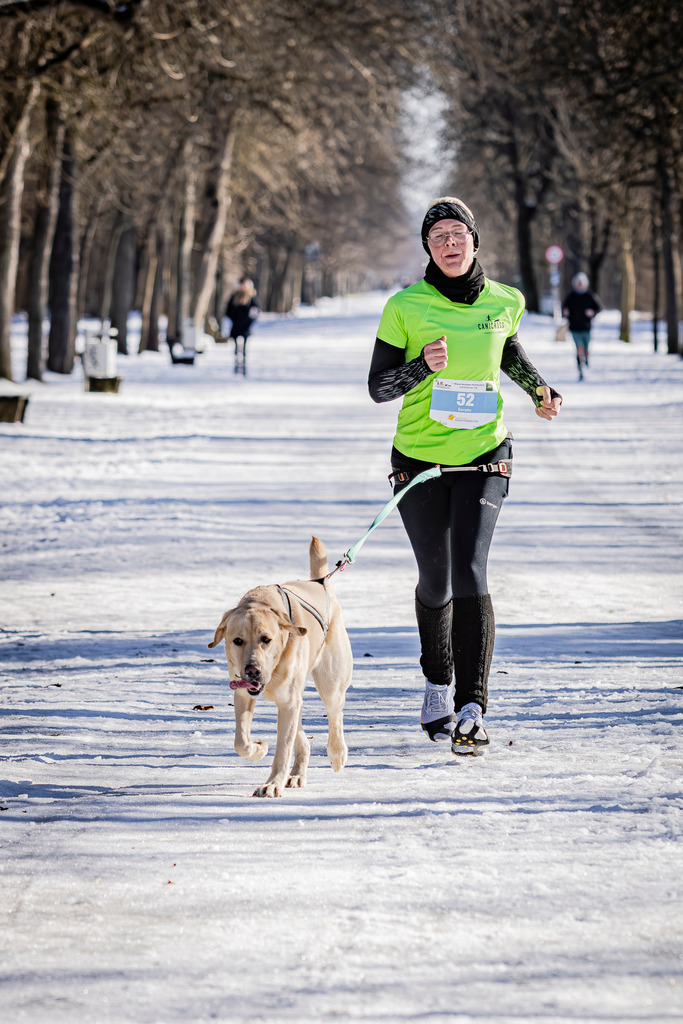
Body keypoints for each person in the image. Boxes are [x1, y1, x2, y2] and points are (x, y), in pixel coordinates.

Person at [368, 197, 562, 754]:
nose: (450, 244)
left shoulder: (507, 301)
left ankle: (473, 705)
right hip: (418, 461)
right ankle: (436, 682)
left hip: (484, 455)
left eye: (458, 234)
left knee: (470, 568)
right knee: (435, 579)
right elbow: (379, 388)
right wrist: (420, 367)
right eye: (438, 238)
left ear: (475, 241)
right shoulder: (405, 306)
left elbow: (509, 354)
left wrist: (539, 390)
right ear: (428, 248)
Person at [562, 272, 601, 380]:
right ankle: (580, 368)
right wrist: (565, 312)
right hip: (574, 327)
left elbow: (598, 308)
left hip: (586, 327)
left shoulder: (589, 295)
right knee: (579, 348)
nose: (579, 285)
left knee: (586, 349)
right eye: (577, 283)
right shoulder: (571, 296)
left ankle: (586, 358)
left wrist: (592, 312)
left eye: (581, 283)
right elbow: (564, 307)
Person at [225, 277, 259, 374]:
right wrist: (234, 319)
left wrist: (249, 321)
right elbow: (228, 311)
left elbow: (255, 311)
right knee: (236, 347)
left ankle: (244, 366)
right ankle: (236, 365)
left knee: (244, 347)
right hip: (236, 325)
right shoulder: (234, 297)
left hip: (246, 326)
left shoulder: (251, 297)